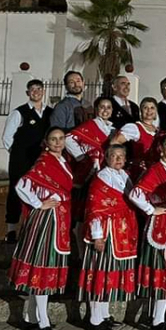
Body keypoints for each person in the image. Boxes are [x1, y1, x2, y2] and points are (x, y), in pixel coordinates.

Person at [7, 126, 72, 330]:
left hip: (59, 220)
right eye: (53, 139)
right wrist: (38, 204)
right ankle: (43, 321)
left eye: (61, 138)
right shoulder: (44, 162)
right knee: (43, 269)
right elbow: (22, 185)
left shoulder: (63, 162)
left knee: (44, 270)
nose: (58, 142)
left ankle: (31, 316)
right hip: (46, 221)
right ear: (46, 141)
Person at [129, 134, 166, 330]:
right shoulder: (155, 169)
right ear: (161, 148)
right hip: (162, 227)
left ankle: (163, 313)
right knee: (164, 270)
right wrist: (152, 210)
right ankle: (157, 320)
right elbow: (135, 194)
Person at [77, 145, 138, 330]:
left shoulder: (124, 176)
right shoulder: (101, 178)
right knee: (100, 273)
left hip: (121, 232)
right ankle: (95, 318)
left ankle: (104, 314)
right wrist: (97, 236)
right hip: (106, 232)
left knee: (110, 275)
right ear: (107, 158)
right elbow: (95, 208)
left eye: (121, 156)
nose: (118, 159)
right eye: (114, 156)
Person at [2, 79, 53, 244]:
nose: (36, 92)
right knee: (16, 191)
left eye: (39, 89)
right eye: (32, 89)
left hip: (42, 162)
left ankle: (35, 229)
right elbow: (7, 138)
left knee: (40, 192)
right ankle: (11, 230)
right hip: (21, 161)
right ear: (27, 93)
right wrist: (18, 153)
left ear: (43, 91)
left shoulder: (50, 113)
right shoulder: (19, 113)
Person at [64, 97, 116, 243]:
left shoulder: (113, 130)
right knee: (85, 213)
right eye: (102, 107)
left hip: (108, 174)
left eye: (108, 107)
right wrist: (83, 157)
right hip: (92, 174)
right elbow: (68, 139)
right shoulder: (90, 125)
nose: (105, 110)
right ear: (96, 110)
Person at [111, 97, 160, 181]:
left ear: (156, 112)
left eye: (152, 108)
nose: (149, 111)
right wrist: (123, 159)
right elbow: (114, 142)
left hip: (154, 173)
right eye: (145, 108)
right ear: (141, 111)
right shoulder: (134, 128)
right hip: (138, 173)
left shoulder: (158, 131)